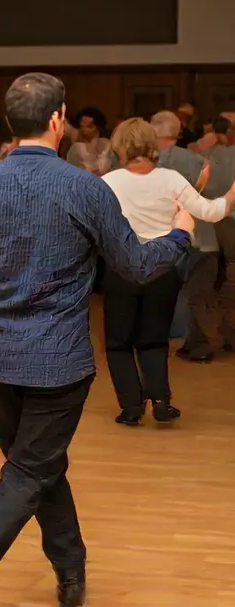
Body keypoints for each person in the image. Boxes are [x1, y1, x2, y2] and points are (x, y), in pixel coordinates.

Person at [0, 73, 193, 607]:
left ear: (9, 123)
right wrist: (180, 237)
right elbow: (136, 266)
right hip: (57, 360)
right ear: (57, 120)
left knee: (36, 466)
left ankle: (71, 571)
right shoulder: (85, 187)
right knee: (33, 468)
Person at [100, 118, 234, 425]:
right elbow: (210, 212)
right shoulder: (171, 179)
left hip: (122, 269)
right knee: (154, 339)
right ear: (151, 143)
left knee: (119, 342)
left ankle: (132, 407)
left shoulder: (108, 182)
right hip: (164, 269)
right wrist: (230, 196)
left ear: (120, 145)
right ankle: (161, 401)